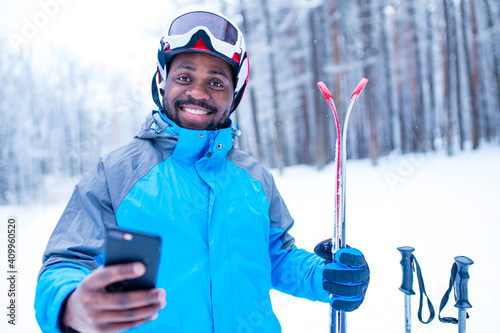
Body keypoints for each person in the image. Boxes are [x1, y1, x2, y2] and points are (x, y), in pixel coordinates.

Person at [35, 10, 370, 333]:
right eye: (184, 78)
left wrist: (323, 276)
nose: (198, 92)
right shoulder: (116, 173)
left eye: (216, 82)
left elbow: (276, 257)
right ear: (162, 82)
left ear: (234, 96)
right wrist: (70, 304)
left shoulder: (255, 179)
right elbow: (66, 262)